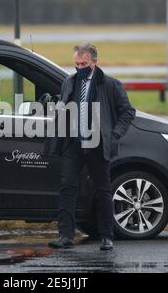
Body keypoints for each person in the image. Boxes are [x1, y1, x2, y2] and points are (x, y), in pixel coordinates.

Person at [47, 43, 136, 251]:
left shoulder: (110, 84)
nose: (79, 67)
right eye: (76, 64)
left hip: (98, 145)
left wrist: (114, 135)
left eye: (83, 64)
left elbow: (127, 112)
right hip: (74, 144)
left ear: (94, 62)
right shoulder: (69, 82)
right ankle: (65, 235)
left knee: (102, 190)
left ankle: (106, 236)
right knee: (67, 187)